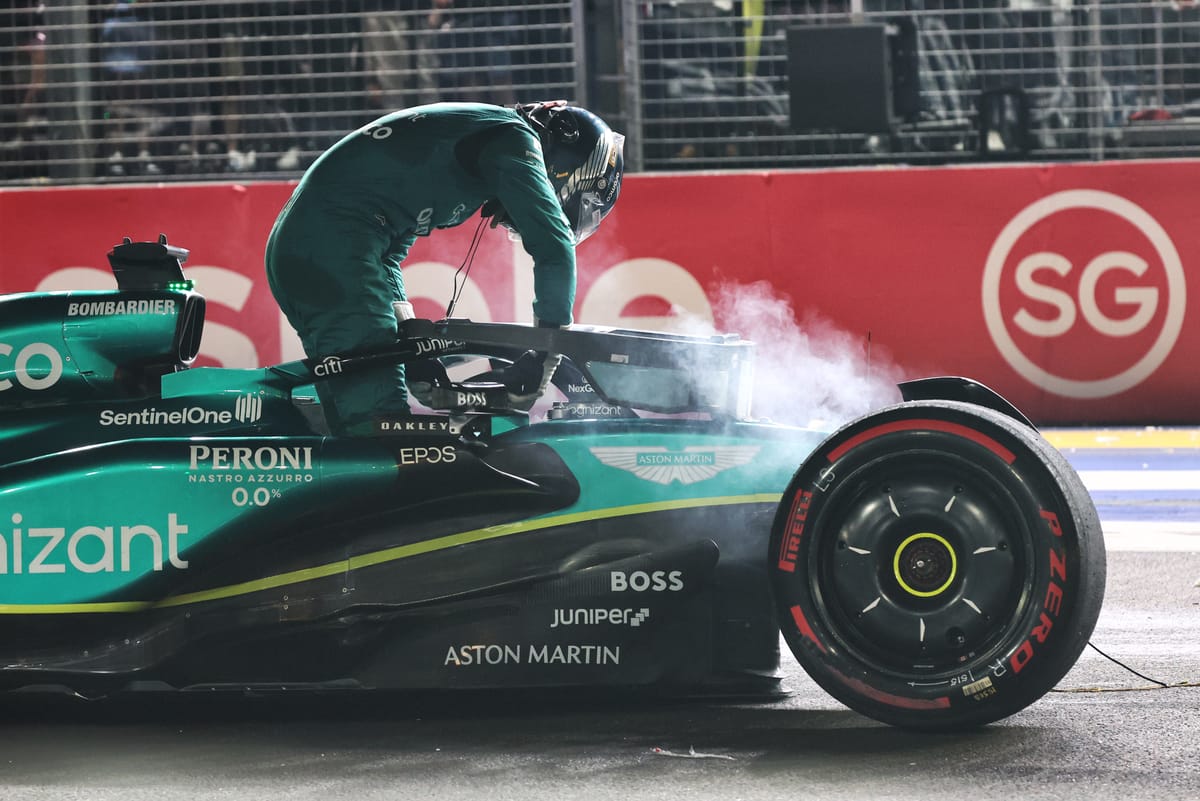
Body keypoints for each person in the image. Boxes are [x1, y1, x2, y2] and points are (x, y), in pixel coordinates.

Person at [265, 100, 625, 436]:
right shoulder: (514, 139)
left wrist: (408, 336)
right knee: (378, 433)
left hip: (313, 245)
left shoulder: (481, 132)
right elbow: (554, 247)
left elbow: (386, 253)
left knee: (355, 423)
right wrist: (545, 361)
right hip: (332, 246)